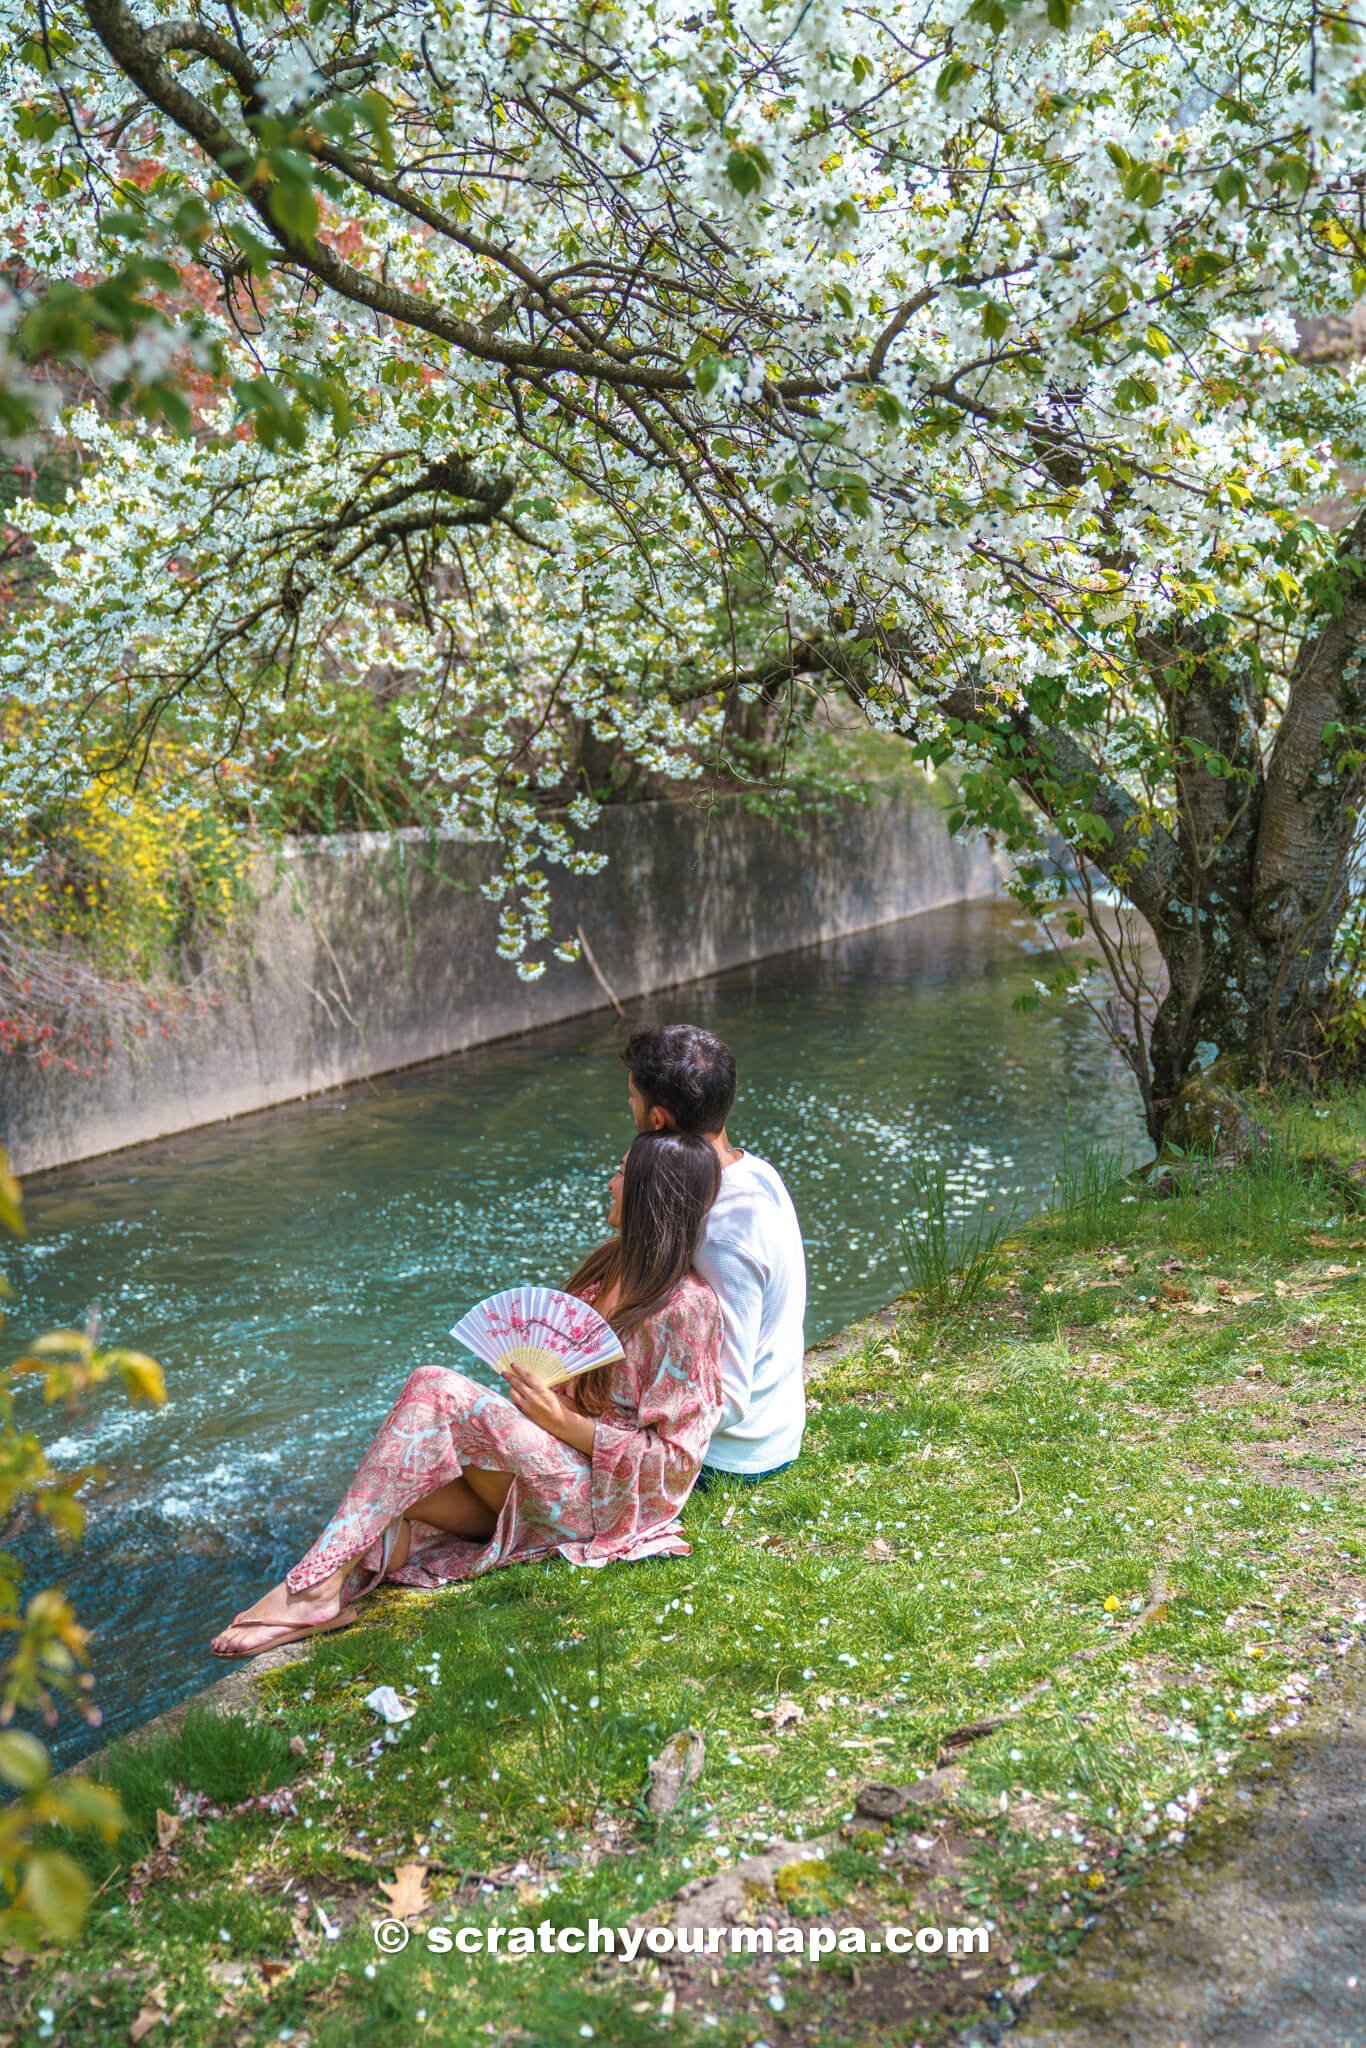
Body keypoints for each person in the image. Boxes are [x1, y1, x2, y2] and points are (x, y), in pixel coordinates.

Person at [210, 1131, 723, 1657]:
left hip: (600, 1500)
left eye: (621, 1172)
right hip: (547, 1469)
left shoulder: (686, 1309)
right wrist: (546, 1396)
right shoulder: (608, 1264)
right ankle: (323, 1597)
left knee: (436, 1388)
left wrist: (561, 1421)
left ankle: (310, 1589)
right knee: (400, 1483)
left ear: (647, 1194)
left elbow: (677, 1461)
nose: (610, 1182)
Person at [622, 1023, 806, 1482]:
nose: (629, 1107)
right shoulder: (755, 1172)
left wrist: (619, 1422)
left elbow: (730, 1394)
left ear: (658, 1119)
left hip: (736, 1456)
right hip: (763, 1431)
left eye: (631, 1098)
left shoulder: (723, 1229)